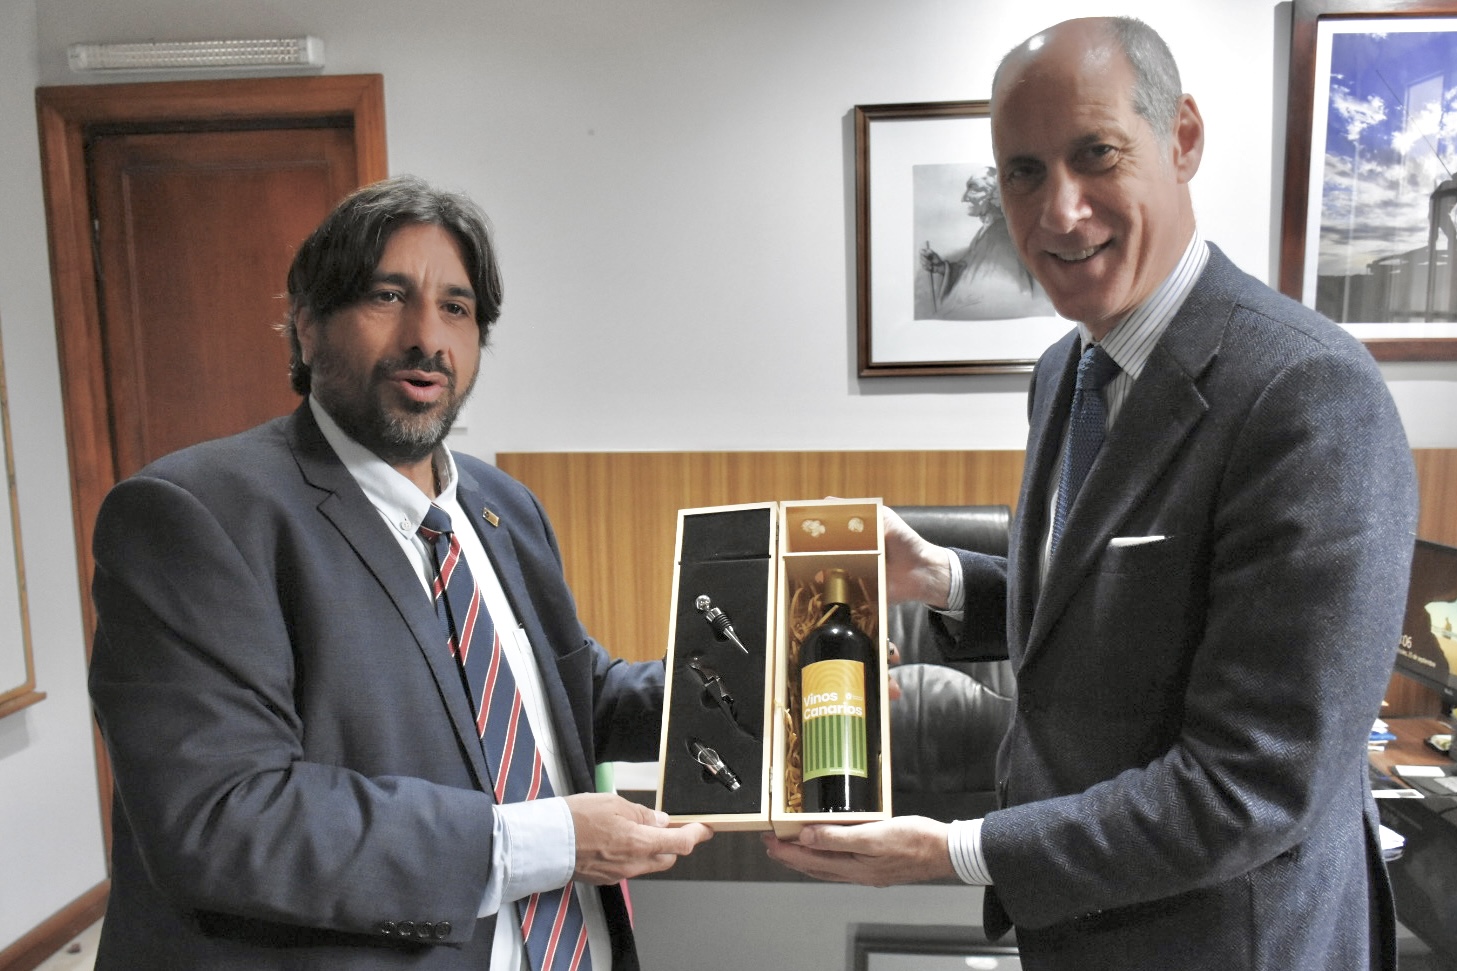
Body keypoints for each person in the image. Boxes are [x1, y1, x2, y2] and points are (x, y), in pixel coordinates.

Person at [765, 17, 1418, 971]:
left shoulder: (1308, 392)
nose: (1058, 212)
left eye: (1095, 155)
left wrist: (954, 852)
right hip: (1080, 929)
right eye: (1023, 173)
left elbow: (1251, 787)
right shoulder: (1064, 370)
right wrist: (942, 576)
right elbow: (1117, 607)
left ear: (1181, 138)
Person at [88, 175, 711, 970]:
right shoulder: (192, 514)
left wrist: (753, 685)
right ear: (306, 326)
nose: (426, 336)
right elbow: (221, 817)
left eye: (456, 307)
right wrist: (547, 840)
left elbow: (566, 696)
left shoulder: (501, 503)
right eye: (387, 296)